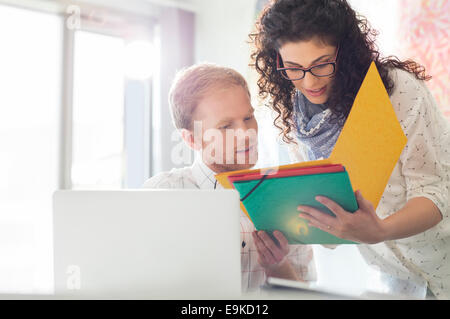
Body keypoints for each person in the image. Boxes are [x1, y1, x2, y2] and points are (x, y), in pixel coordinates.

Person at [249, 0, 450, 299]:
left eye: (321, 64)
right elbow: (330, 219)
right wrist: (288, 236)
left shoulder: (396, 91)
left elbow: (437, 193)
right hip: (392, 277)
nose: (310, 81)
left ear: (346, 52)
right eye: (293, 68)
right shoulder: (297, 119)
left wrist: (380, 230)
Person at [142, 63, 316, 293]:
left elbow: (304, 297)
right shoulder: (163, 194)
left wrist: (278, 267)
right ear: (191, 139)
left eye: (248, 117)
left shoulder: (284, 196)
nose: (246, 135)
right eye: (225, 127)